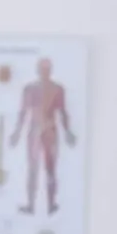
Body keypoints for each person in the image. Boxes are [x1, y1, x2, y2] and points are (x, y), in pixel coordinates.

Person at [10, 56, 76, 215]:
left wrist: (68, 131)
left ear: (50, 71)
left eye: (47, 69)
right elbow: (23, 112)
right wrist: (17, 133)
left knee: (51, 169)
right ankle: (31, 205)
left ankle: (51, 204)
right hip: (35, 130)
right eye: (42, 69)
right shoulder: (30, 88)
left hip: (50, 130)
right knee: (33, 168)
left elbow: (62, 112)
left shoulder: (57, 89)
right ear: (38, 71)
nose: (45, 72)